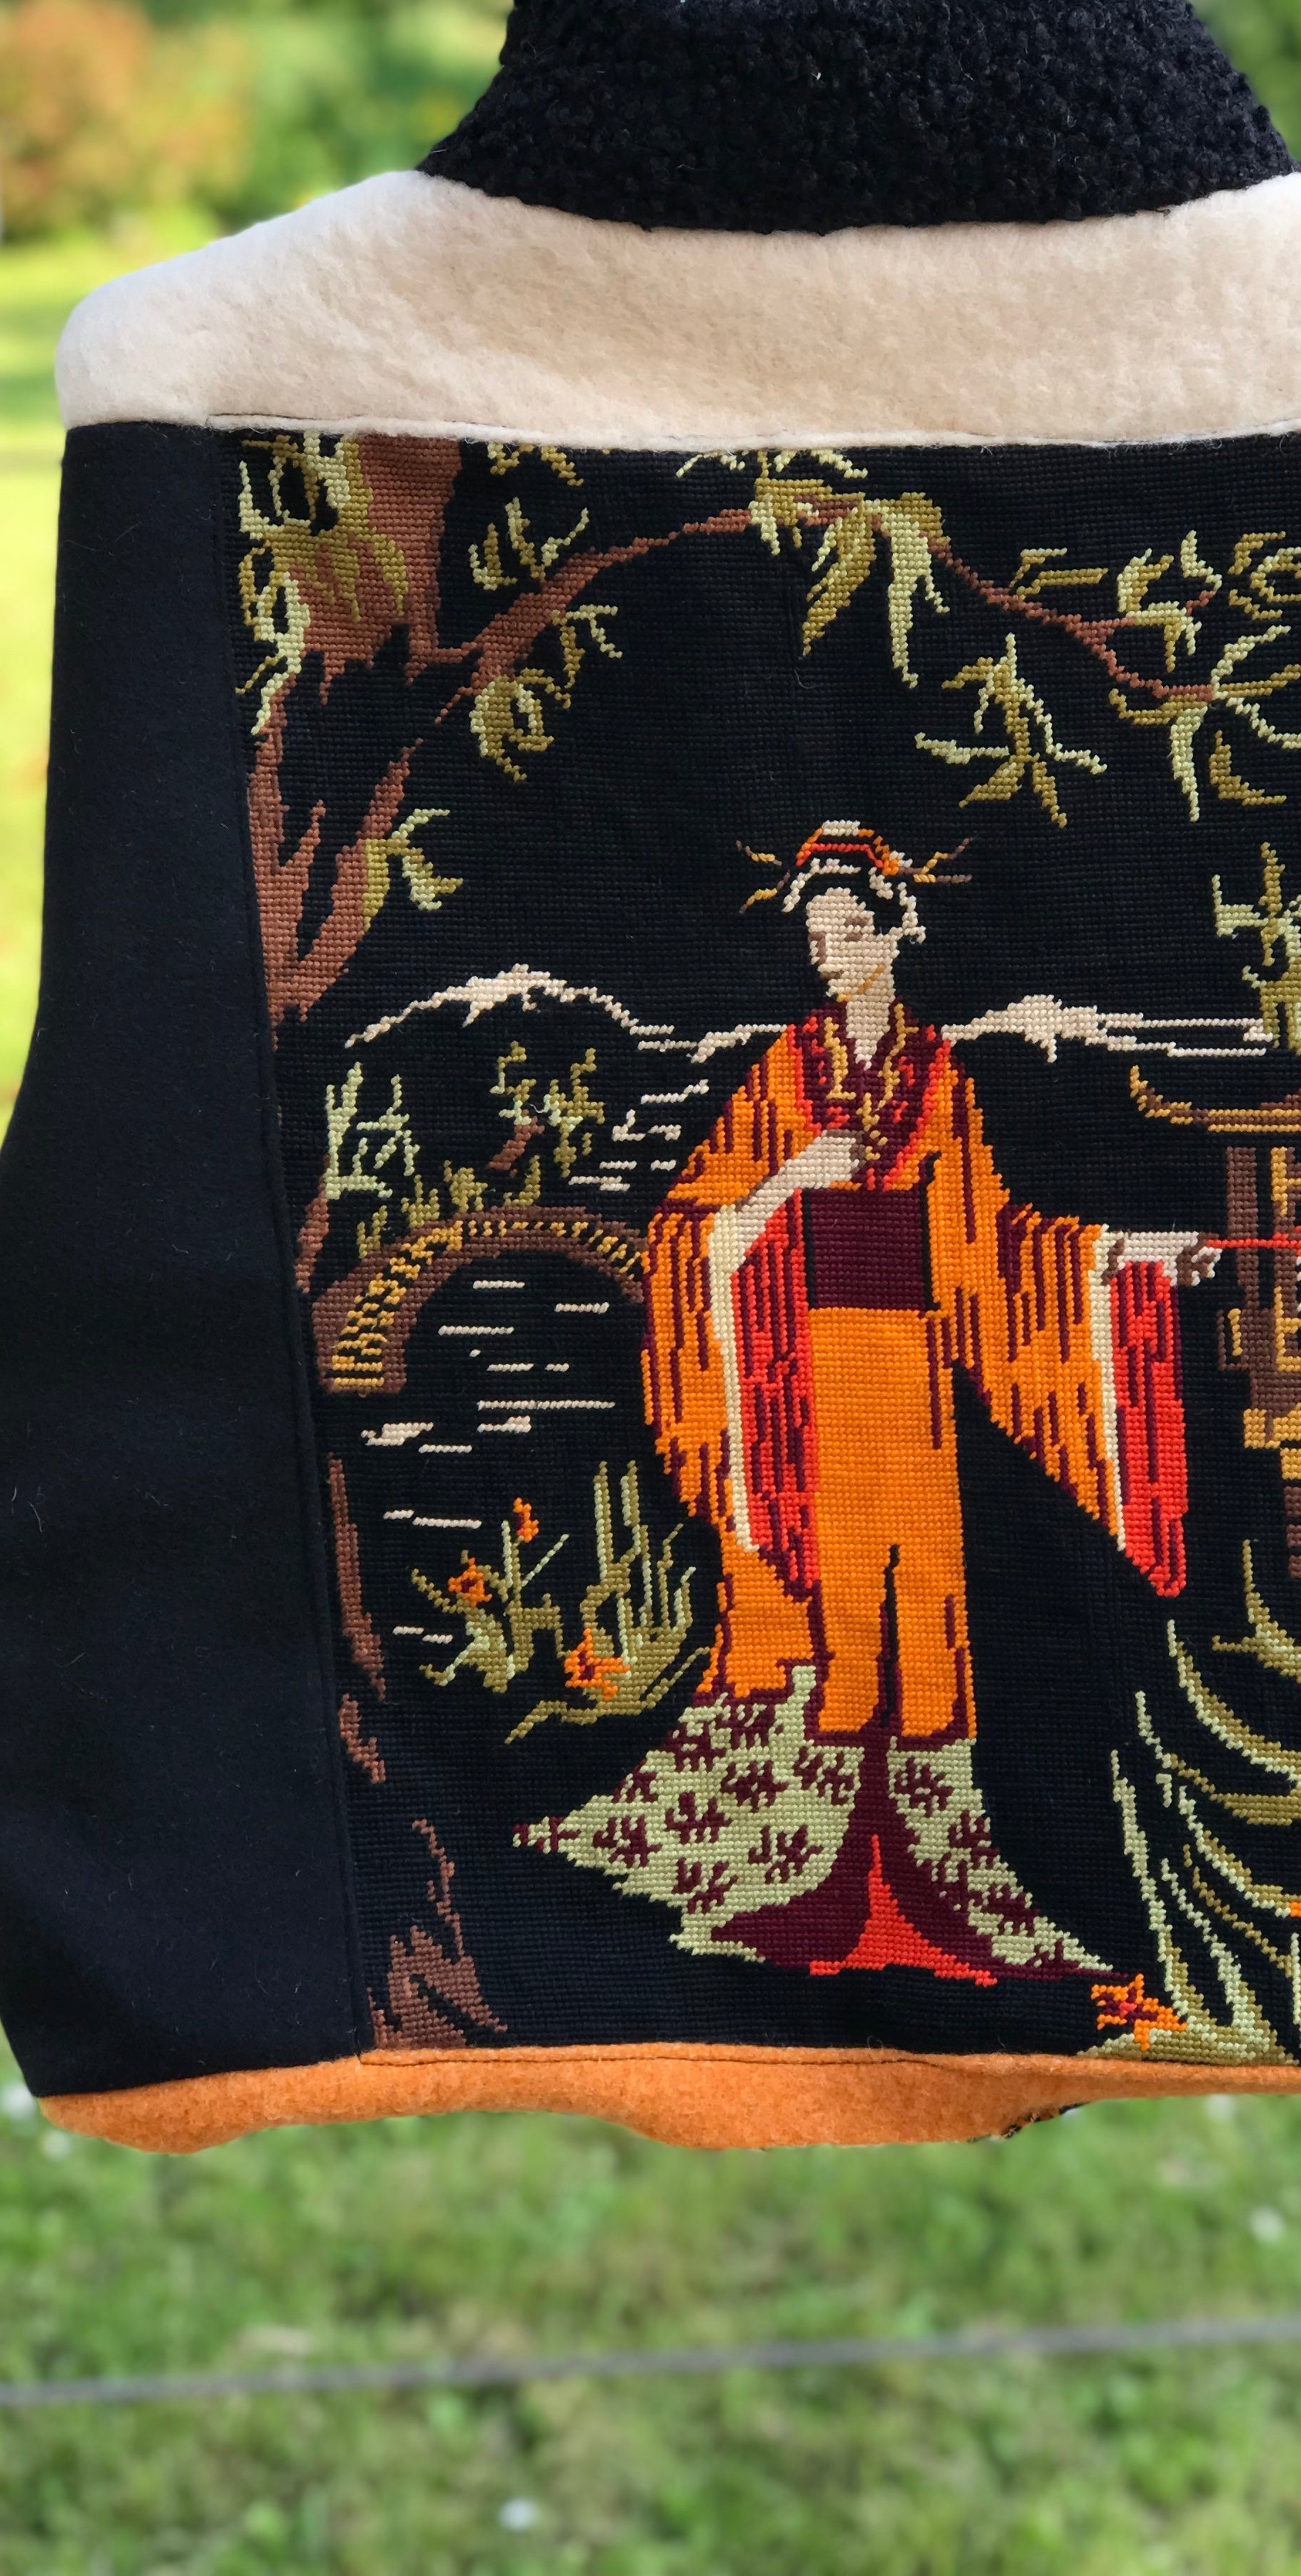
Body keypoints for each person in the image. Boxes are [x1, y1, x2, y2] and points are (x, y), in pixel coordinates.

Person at [522, 824, 1220, 1983]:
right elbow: (692, 1232)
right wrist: (792, 1179)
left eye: (849, 930)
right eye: (816, 935)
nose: (829, 952)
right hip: (800, 1370)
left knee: (924, 1584)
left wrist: (1131, 1256)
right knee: (830, 1584)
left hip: (913, 1370)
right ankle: (796, 1860)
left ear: (899, 932)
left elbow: (996, 1244)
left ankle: (930, 1866)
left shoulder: (940, 1075)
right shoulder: (781, 1073)